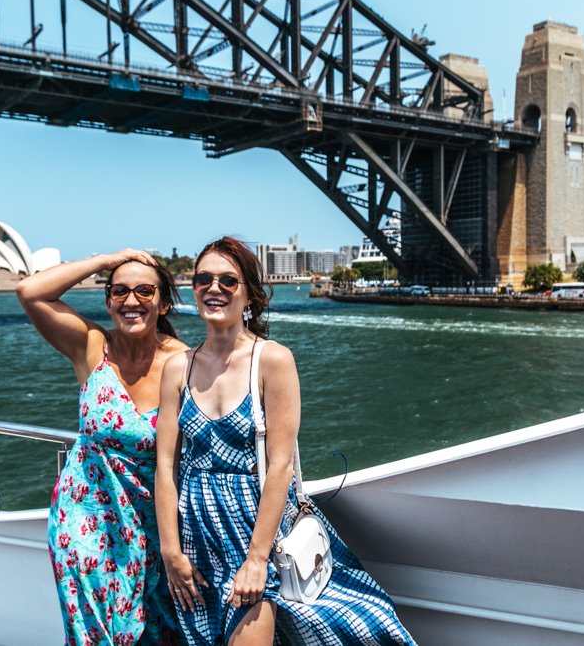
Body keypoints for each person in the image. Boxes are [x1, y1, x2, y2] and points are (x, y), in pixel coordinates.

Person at [155, 237, 416, 645]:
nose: (214, 288)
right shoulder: (177, 368)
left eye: (228, 280)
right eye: (204, 278)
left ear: (250, 296)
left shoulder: (272, 360)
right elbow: (167, 467)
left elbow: (280, 466)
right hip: (196, 537)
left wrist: (257, 561)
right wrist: (171, 553)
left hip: (255, 531)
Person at [17, 249, 187, 646]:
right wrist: (109, 259)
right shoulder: (92, 347)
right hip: (85, 519)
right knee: (93, 634)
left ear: (163, 303)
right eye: (119, 292)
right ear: (108, 300)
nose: (131, 301)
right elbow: (30, 291)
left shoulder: (185, 362)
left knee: (161, 632)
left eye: (145, 292)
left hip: (155, 523)